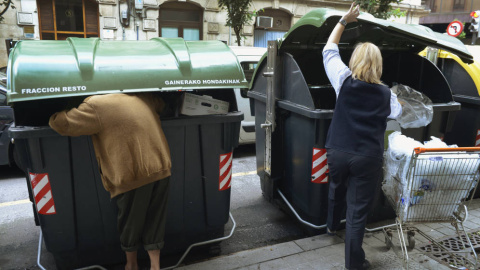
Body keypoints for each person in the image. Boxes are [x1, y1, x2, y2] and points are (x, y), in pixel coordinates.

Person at [49, 92, 172, 270]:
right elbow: (161, 104)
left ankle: (131, 265)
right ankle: (155, 266)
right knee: (156, 220)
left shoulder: (95, 105)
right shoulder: (141, 97)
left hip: (132, 174)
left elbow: (63, 124)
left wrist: (56, 112)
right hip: (161, 167)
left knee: (130, 223)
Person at [322, 3, 402, 270]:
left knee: (336, 187)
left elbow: (329, 50)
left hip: (337, 151)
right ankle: (354, 263)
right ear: (378, 65)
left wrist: (344, 21)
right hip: (366, 157)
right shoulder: (387, 95)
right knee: (357, 213)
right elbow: (397, 113)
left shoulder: (342, 79)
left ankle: (331, 226)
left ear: (354, 61)